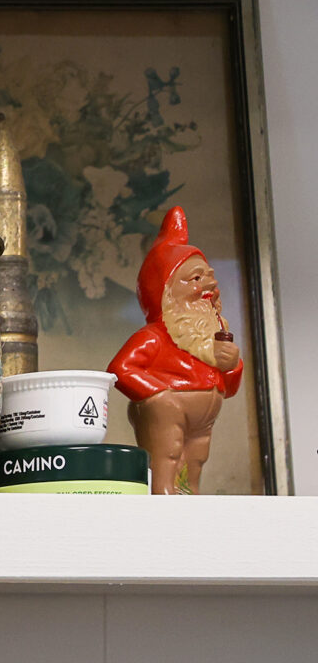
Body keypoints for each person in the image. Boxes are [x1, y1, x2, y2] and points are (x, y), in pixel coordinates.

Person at [108, 206, 244, 494]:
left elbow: (230, 388)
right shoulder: (154, 337)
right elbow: (120, 370)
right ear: (166, 292)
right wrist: (161, 397)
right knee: (167, 456)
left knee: (196, 459)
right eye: (196, 279)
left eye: (210, 276)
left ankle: (188, 498)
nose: (210, 285)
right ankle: (164, 496)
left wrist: (231, 365)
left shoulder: (213, 337)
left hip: (204, 419)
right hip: (167, 414)